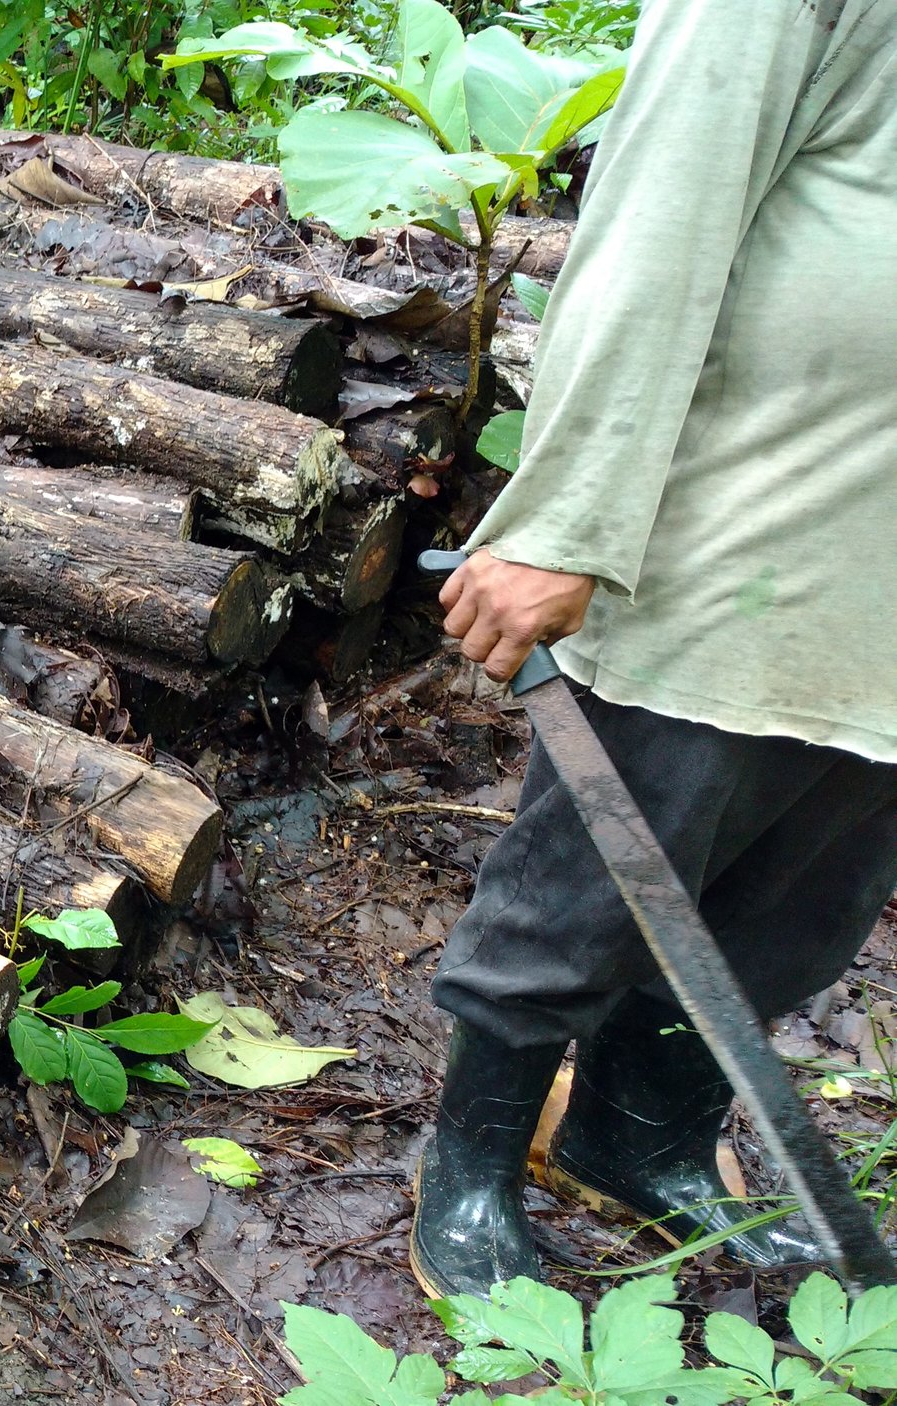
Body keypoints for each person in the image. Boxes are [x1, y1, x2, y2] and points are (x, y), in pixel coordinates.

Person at [414, 0, 897, 1298]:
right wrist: (567, 514)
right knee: (612, 847)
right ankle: (474, 1158)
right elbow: (661, 208)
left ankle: (643, 1136)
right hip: (751, 509)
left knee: (817, 880)